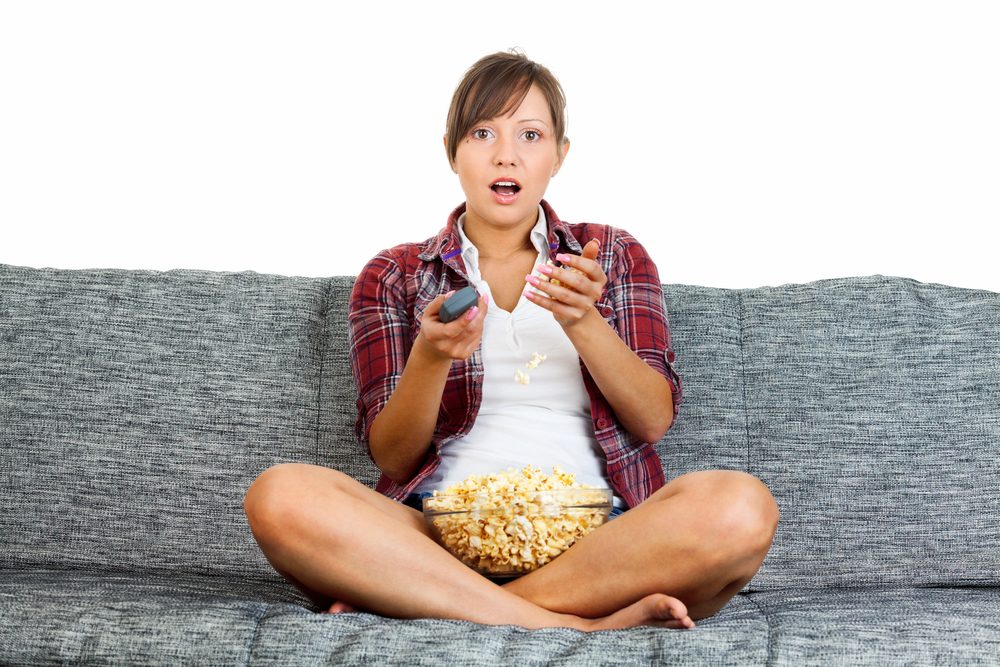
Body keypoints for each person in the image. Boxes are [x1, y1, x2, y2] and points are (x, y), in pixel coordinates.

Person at [244, 50, 779, 633]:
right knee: (281, 496)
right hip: (436, 535)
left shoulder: (614, 254)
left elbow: (652, 419)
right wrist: (430, 356)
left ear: (559, 155)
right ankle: (575, 623)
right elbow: (394, 457)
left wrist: (582, 320)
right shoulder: (394, 273)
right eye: (482, 133)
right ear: (452, 150)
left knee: (741, 507)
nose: (507, 153)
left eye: (531, 134)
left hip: (602, 542)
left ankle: (439, 601)